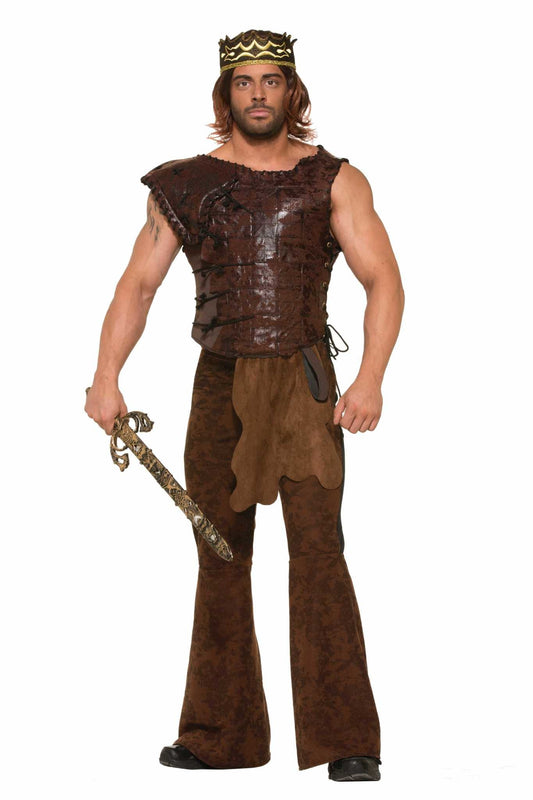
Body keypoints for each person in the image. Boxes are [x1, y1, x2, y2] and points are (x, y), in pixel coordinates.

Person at [84, 29, 404, 782]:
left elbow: (383, 280)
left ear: (292, 90)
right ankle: (218, 736)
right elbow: (138, 285)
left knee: (318, 553)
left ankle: (347, 739)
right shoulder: (185, 184)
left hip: (304, 385)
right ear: (225, 94)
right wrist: (105, 376)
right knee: (220, 552)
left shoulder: (335, 180)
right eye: (243, 81)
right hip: (219, 384)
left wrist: (369, 381)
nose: (258, 94)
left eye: (271, 80)